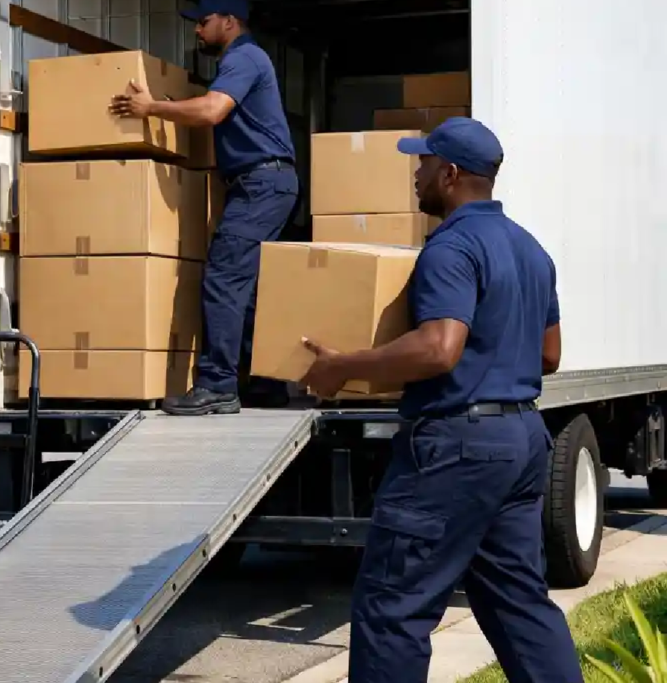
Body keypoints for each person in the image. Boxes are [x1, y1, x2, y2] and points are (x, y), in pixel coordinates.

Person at [300, 117, 583, 682]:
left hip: (456, 447)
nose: (416, 173)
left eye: (424, 162)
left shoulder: (450, 247)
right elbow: (549, 355)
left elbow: (438, 347)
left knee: (393, 608)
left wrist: (341, 366)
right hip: (521, 440)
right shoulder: (531, 250)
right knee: (519, 602)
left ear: (450, 174)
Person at [109, 0, 298, 415]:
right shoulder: (243, 60)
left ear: (229, 21)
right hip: (267, 182)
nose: (197, 29)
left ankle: (218, 386)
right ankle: (264, 383)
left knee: (225, 277)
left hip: (261, 183)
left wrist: (151, 108)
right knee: (245, 285)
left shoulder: (244, 57)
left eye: (204, 21)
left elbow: (213, 110)